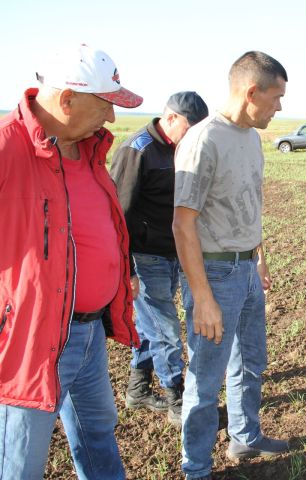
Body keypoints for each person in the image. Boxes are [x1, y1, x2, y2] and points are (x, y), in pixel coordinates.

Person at [0, 44, 142, 479]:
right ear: (67, 100)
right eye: (106, 106)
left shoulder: (90, 150)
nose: (112, 119)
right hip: (31, 341)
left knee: (98, 432)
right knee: (22, 461)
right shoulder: (8, 145)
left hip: (87, 333)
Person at [172, 51, 289, 480]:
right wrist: (202, 298)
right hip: (215, 274)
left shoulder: (251, 137)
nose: (280, 107)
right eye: (276, 97)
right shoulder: (204, 140)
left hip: (246, 269)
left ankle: (245, 435)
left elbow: (251, 206)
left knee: (251, 360)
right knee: (204, 382)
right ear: (251, 91)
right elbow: (183, 224)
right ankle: (197, 467)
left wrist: (260, 260)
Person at [110, 91, 209, 426]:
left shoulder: (182, 148)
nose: (193, 136)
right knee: (164, 327)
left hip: (177, 251)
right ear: (170, 119)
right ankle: (176, 396)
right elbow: (116, 215)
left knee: (150, 325)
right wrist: (127, 270)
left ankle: (138, 389)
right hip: (145, 256)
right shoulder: (136, 151)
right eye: (190, 128)